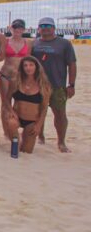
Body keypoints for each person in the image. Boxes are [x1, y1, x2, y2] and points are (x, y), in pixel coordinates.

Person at [31, 17, 76, 152]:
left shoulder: (64, 44)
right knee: (38, 113)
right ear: (38, 29)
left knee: (60, 114)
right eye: (42, 26)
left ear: (54, 28)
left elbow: (72, 65)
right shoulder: (34, 43)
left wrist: (71, 85)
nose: (45, 28)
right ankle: (41, 136)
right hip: (37, 84)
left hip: (57, 85)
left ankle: (61, 142)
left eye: (48, 26)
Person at [0, 18, 32, 136]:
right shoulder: (5, 41)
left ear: (24, 29)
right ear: (11, 28)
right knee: (5, 103)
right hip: (6, 74)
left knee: (19, 102)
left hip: (20, 76)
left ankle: (14, 127)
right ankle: (6, 132)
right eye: (15, 27)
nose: (17, 30)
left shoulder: (28, 42)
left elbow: (30, 60)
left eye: (20, 28)